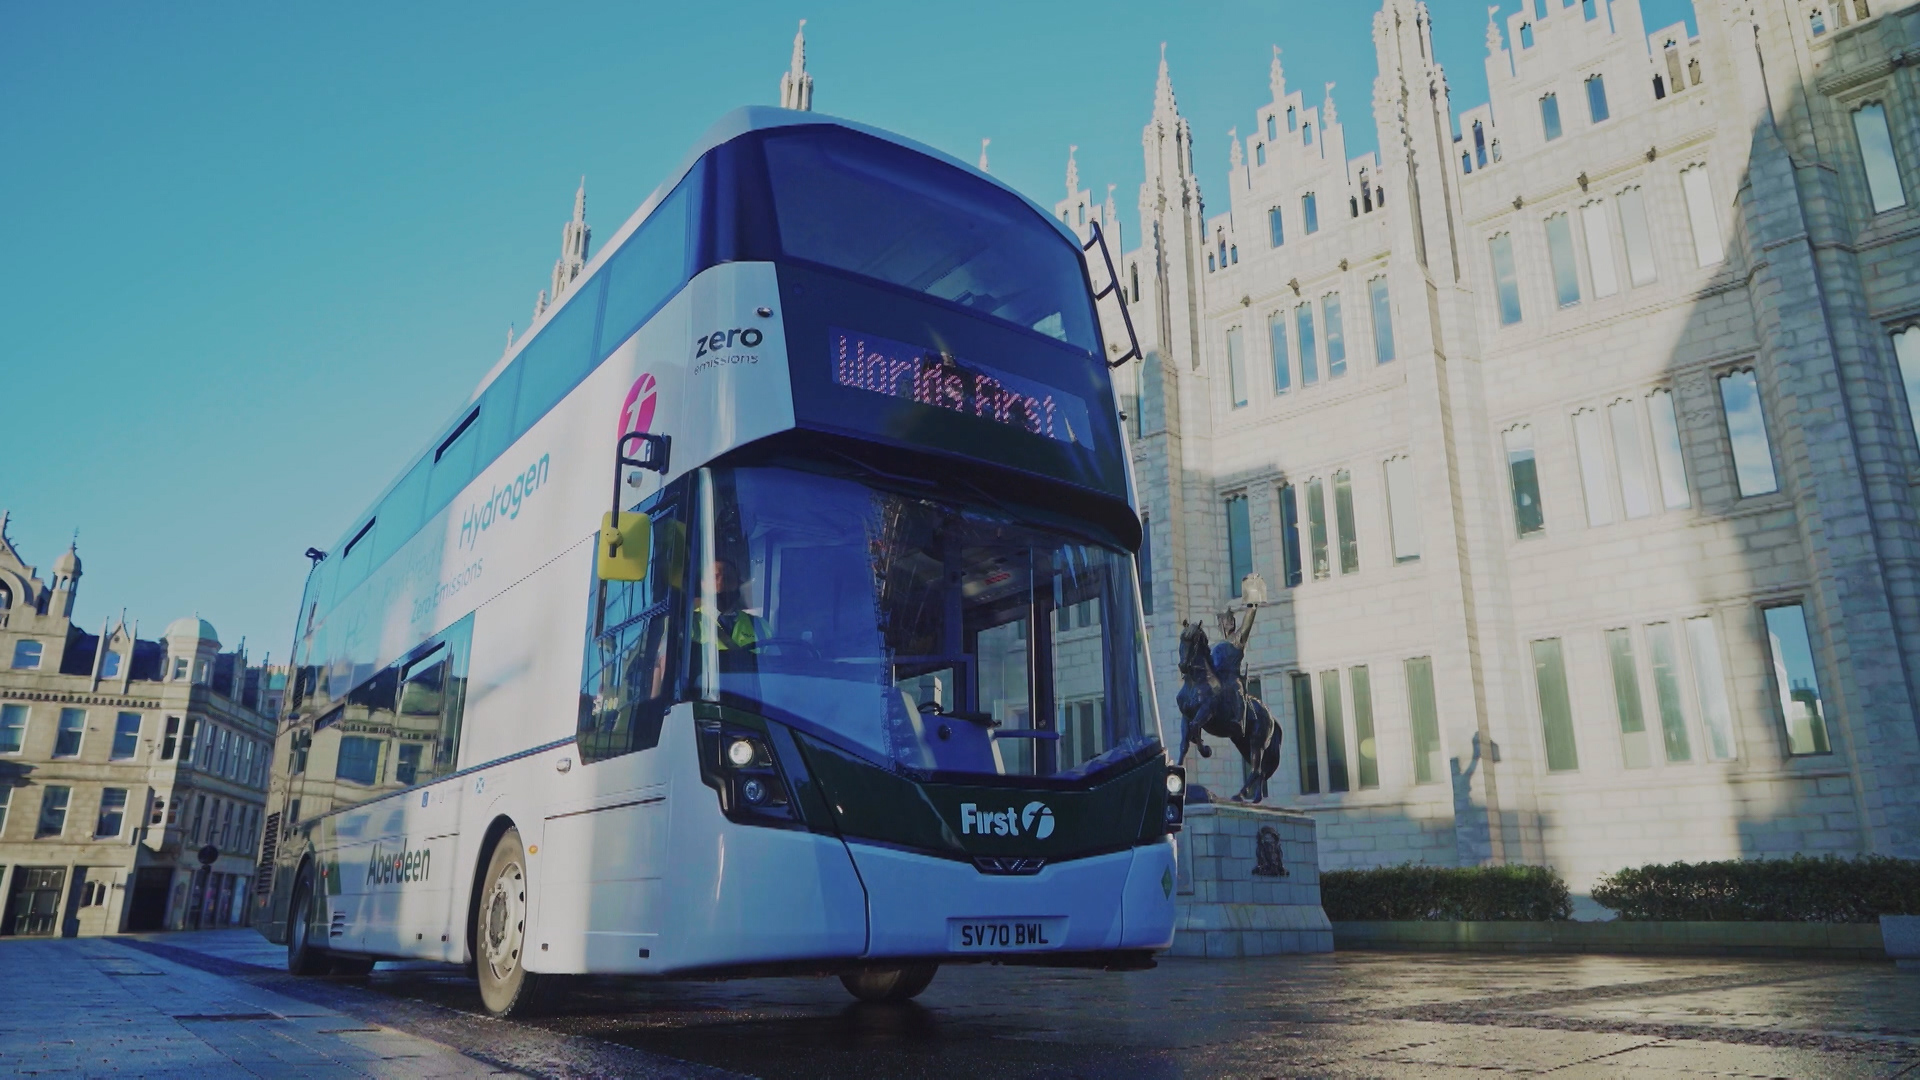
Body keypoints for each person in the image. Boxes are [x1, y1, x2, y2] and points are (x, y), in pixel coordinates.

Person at [693, 557, 769, 652]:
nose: (721, 583)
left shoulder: (760, 626)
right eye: (715, 577)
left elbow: (775, 663)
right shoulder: (691, 621)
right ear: (702, 584)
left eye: (728, 578)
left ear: (738, 584)